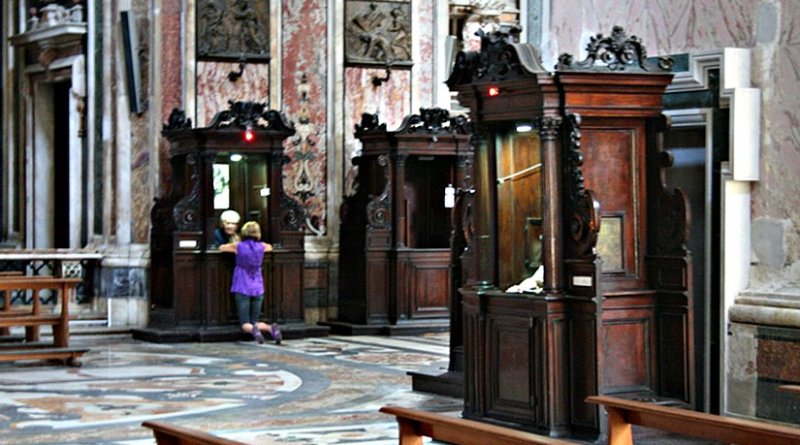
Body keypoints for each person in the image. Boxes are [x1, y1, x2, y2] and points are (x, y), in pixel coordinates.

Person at [219, 221, 282, 344]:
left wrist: (233, 241)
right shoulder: (262, 246)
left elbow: (221, 248)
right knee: (255, 320)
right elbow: (271, 247)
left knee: (245, 323)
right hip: (258, 287)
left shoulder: (238, 246)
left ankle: (254, 331)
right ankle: (270, 328)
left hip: (242, 286)